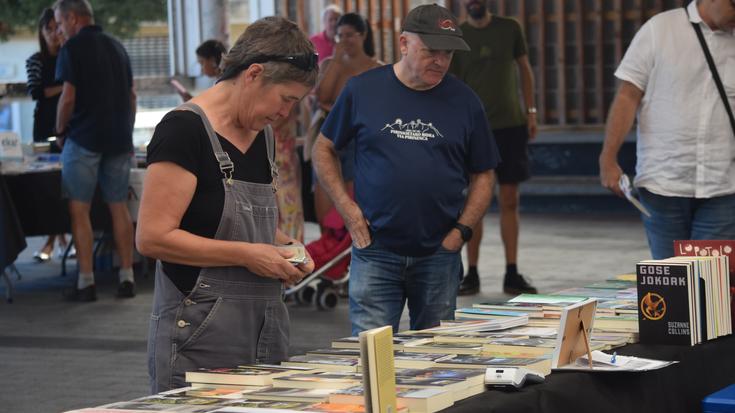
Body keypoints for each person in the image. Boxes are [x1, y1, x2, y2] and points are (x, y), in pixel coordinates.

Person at [136, 16, 317, 393]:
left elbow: (238, 220)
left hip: (264, 329)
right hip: (199, 334)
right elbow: (152, 238)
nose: (285, 114)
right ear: (253, 74)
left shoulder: (262, 134)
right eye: (285, 100)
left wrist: (284, 247)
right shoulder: (184, 129)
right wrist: (248, 254)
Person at [312, 4, 499, 336]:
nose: (440, 61)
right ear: (403, 44)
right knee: (371, 355)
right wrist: (348, 210)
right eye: (431, 51)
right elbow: (323, 148)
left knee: (436, 361)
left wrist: (461, 233)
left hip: (439, 252)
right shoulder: (363, 90)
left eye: (448, 53)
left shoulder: (465, 101)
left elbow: (484, 174)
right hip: (375, 249)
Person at [599, 0, 735, 260]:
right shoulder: (660, 29)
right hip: (663, 182)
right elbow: (628, 96)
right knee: (672, 283)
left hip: (723, 186)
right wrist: (608, 157)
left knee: (710, 285)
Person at [450, 0, 538, 296]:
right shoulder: (458, 36)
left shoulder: (510, 28)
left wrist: (531, 111)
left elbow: (524, 69)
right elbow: (454, 85)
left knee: (510, 200)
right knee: (476, 203)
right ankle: (471, 273)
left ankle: (512, 272)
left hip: (511, 125)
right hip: (476, 129)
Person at [53, 0, 137, 302]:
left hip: (83, 138)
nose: (60, 31)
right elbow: (132, 96)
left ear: (73, 19)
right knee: (118, 207)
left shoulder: (72, 49)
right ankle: (126, 276)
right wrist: (126, 130)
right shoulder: (117, 47)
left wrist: (61, 131)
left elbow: (68, 98)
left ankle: (86, 282)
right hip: (118, 138)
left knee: (80, 209)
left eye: (60, 24)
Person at [312, 12, 381, 229]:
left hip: (359, 138)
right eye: (340, 36)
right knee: (324, 191)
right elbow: (322, 97)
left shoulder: (377, 68)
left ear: (363, 35)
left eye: (350, 35)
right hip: (329, 133)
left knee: (353, 198)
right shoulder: (329, 64)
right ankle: (326, 245)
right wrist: (337, 63)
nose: (345, 41)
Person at [25, 7, 69, 262]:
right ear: (42, 33)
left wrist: (60, 89)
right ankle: (56, 238)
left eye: (56, 28)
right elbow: (36, 92)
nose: (54, 34)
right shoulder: (36, 60)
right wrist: (67, 86)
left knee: (65, 184)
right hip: (44, 126)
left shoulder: (70, 55)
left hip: (70, 127)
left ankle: (57, 239)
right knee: (47, 183)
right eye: (48, 29)